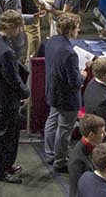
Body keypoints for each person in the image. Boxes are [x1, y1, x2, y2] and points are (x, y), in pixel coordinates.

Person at [0, 10, 27, 183]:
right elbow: (13, 79)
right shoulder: (6, 51)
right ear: (10, 27)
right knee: (5, 137)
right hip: (7, 100)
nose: (19, 31)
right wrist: (26, 92)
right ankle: (0, 172)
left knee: (9, 134)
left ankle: (7, 165)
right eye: (18, 28)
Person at [41, 13, 82, 172]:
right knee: (64, 129)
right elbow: (75, 82)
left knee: (52, 121)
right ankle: (60, 161)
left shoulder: (51, 42)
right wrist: (82, 76)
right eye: (77, 28)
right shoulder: (70, 53)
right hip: (67, 98)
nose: (78, 30)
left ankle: (49, 154)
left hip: (53, 91)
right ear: (71, 30)